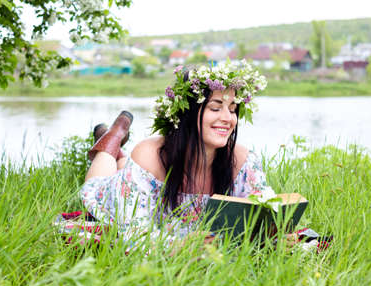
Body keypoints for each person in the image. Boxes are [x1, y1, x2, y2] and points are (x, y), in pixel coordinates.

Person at [74, 60, 272, 247]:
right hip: (114, 191)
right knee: (99, 182)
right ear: (188, 112)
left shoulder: (243, 161)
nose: (227, 118)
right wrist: (182, 246)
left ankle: (121, 155)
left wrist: (275, 233)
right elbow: (133, 231)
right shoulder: (150, 154)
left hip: (136, 176)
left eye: (232, 109)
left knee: (125, 166)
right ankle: (113, 137)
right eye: (215, 107)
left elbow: (264, 214)